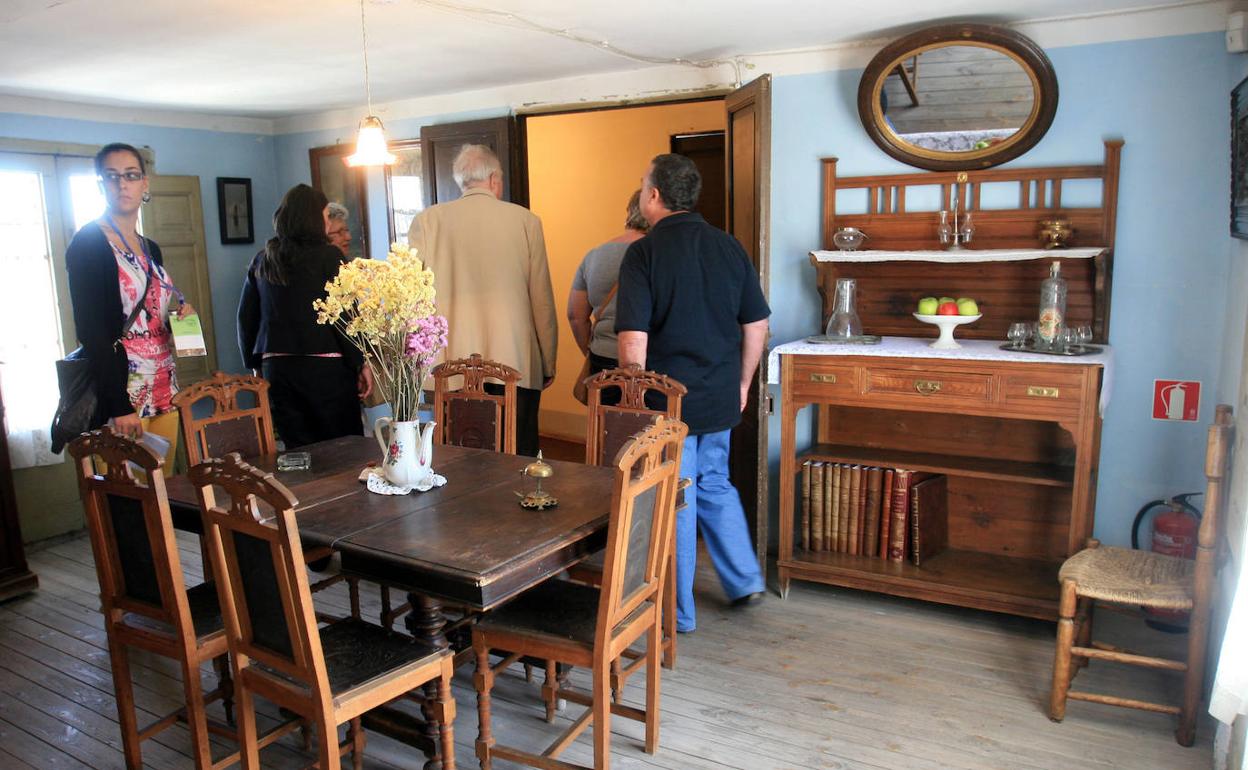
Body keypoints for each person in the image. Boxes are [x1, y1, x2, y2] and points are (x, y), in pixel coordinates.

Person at [615, 153, 770, 633]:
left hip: (666, 402)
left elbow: (632, 338)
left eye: (644, 185)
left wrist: (633, 396)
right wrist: (743, 383)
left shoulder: (643, 253)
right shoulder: (729, 247)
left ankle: (678, 613)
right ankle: (745, 580)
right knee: (715, 482)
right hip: (720, 394)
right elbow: (757, 322)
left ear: (655, 195)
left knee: (675, 496)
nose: (642, 193)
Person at [407, 144, 557, 456]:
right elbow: (540, 298)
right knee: (518, 452)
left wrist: (416, 362)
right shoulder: (526, 221)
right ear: (493, 179)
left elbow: (414, 298)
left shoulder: (427, 221)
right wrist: (547, 359)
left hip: (449, 366)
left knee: (456, 452)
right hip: (514, 360)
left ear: (463, 181)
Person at [65, 142, 195, 466]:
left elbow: (151, 314)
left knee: (164, 492)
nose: (122, 183)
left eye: (131, 175)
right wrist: (118, 404)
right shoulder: (89, 243)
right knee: (130, 498)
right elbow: (92, 331)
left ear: (144, 184)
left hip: (165, 385)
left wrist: (178, 315)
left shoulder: (150, 247)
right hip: (124, 392)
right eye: (111, 176)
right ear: (100, 185)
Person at [237, 184, 372, 448]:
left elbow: (246, 318)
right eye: (324, 217)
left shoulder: (264, 259)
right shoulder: (329, 257)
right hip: (326, 370)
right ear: (314, 219)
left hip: (278, 370)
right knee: (341, 446)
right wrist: (362, 361)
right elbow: (345, 315)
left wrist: (254, 364)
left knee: (299, 450)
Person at [567, 189, 648, 379]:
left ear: (629, 213)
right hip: (646, 360)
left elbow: (575, 316)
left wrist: (592, 350)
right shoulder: (657, 253)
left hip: (602, 357)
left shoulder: (594, 255)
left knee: (603, 409)